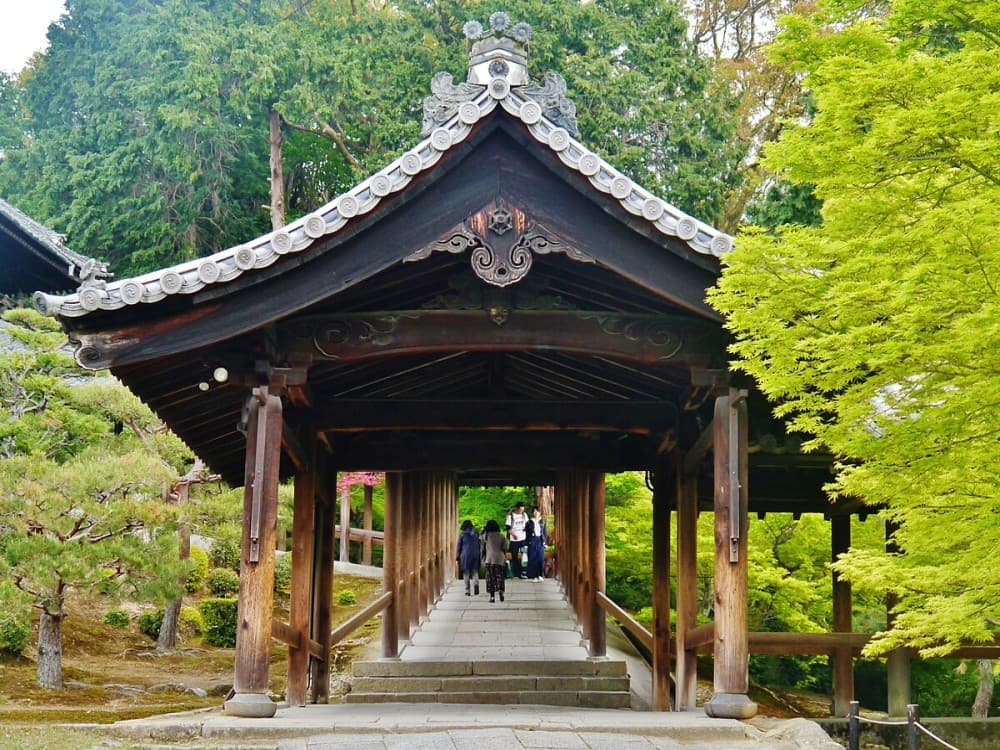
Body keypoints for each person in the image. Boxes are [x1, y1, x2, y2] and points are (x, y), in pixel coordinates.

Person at [481, 519, 508, 603]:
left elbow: (480, 536)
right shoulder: (501, 536)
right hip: (500, 559)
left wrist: (483, 529)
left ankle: (492, 597)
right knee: (500, 576)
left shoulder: (487, 536)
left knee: (490, 578)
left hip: (489, 559)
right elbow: (505, 548)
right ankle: (501, 591)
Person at [455, 519, 481, 596]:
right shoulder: (476, 533)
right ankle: (476, 584)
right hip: (475, 554)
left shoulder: (462, 535)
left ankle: (468, 590)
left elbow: (459, 547)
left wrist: (457, 557)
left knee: (466, 572)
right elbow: (479, 544)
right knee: (475, 571)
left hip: (465, 555)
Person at [505, 501, 529, 578]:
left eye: (522, 510)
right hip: (514, 540)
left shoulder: (524, 515)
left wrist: (526, 529)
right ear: (517, 508)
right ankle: (516, 573)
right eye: (520, 510)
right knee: (514, 557)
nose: (521, 511)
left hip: (523, 539)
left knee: (524, 555)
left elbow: (528, 525)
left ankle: (524, 571)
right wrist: (513, 534)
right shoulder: (511, 516)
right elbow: (508, 528)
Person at [525, 506, 547, 580]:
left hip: (540, 540)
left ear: (540, 512)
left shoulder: (542, 521)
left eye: (537, 511)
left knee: (540, 557)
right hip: (532, 540)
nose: (536, 513)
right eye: (534, 511)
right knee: (532, 557)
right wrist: (527, 543)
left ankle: (540, 575)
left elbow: (544, 532)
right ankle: (533, 575)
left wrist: (545, 542)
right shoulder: (529, 522)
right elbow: (527, 534)